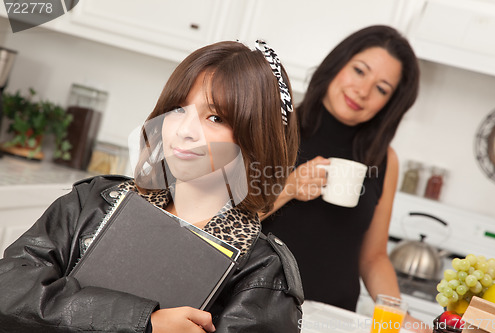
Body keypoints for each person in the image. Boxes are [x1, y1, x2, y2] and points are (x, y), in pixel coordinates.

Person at [0, 41, 303, 333]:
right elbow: (9, 293)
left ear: (257, 139)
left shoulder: (263, 272)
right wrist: (144, 322)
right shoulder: (93, 201)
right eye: (178, 109)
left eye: (215, 117)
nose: (184, 130)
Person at [261, 25, 425, 328]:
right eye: (360, 71)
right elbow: (225, 220)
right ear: (337, 64)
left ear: (390, 104)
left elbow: (373, 256)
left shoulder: (384, 159)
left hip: (334, 319)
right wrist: (289, 187)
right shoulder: (272, 127)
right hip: (258, 308)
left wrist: (398, 314)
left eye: (381, 89)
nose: (362, 91)